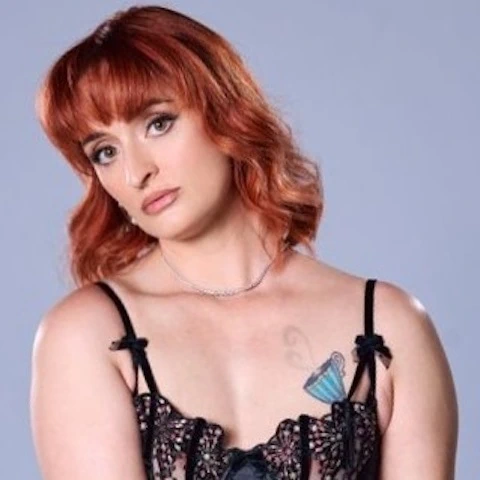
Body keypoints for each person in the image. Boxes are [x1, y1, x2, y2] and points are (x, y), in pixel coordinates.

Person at [29, 5, 458, 480]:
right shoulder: (90, 334)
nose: (136, 172)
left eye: (158, 123)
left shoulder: (388, 326)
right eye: (105, 151)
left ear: (225, 111)